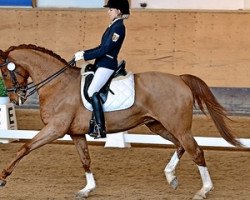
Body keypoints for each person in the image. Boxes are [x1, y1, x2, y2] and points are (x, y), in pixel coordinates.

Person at [74, 0, 130, 139]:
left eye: (110, 9)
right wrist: (83, 53)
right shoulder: (112, 26)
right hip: (101, 63)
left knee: (92, 91)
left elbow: (105, 49)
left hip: (107, 64)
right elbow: (100, 46)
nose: (108, 11)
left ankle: (100, 127)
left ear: (118, 10)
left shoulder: (118, 27)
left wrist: (86, 55)